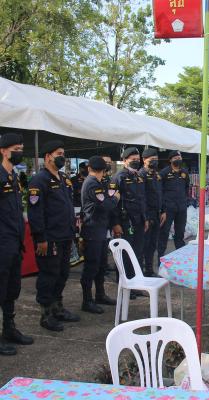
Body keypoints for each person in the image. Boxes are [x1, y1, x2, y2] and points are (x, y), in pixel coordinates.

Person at [28, 140, 80, 332]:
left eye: (63, 154)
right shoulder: (39, 180)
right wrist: (40, 238)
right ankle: (46, 314)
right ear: (48, 156)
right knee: (49, 275)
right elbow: (35, 212)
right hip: (49, 238)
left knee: (63, 273)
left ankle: (58, 307)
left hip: (65, 235)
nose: (62, 157)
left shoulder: (64, 178)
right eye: (59, 153)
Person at [0, 133, 33, 356]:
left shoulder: (13, 176)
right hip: (2, 242)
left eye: (21, 149)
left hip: (14, 241)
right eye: (16, 149)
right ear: (3, 151)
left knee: (12, 289)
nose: (19, 152)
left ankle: (9, 329)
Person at [80, 156, 119, 314]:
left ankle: (100, 294)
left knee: (101, 265)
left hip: (100, 229)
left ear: (89, 168)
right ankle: (87, 300)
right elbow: (105, 205)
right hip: (93, 229)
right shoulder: (92, 184)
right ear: (104, 170)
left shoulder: (97, 182)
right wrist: (115, 199)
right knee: (91, 266)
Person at [111, 147, 148, 289]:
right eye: (133, 159)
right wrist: (115, 223)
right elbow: (113, 203)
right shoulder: (118, 177)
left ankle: (135, 283)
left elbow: (142, 200)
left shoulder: (138, 176)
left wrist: (145, 219)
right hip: (125, 222)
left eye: (138, 159)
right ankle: (125, 285)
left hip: (138, 221)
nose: (136, 162)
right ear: (125, 160)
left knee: (137, 253)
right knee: (125, 254)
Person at [158, 150, 189, 260]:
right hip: (168, 209)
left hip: (181, 208)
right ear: (170, 160)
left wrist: (185, 201)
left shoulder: (184, 172)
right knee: (164, 234)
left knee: (180, 234)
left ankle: (181, 258)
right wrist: (162, 209)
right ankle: (160, 258)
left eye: (179, 158)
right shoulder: (164, 173)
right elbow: (159, 191)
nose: (178, 160)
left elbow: (186, 188)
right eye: (175, 158)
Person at [139, 148, 165, 277]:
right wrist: (146, 217)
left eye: (156, 159)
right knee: (145, 244)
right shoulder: (141, 175)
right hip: (147, 215)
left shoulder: (157, 175)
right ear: (144, 160)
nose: (155, 161)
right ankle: (142, 271)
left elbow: (161, 194)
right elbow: (141, 198)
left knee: (153, 244)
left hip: (157, 213)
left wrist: (163, 211)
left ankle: (149, 270)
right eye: (152, 159)